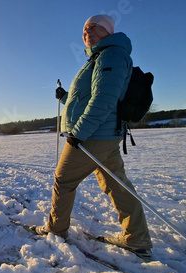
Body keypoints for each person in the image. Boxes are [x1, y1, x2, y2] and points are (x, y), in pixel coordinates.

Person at [30, 14, 153, 259]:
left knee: (63, 181)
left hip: (94, 134)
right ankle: (136, 239)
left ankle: (56, 231)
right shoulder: (101, 56)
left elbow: (104, 100)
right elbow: (86, 99)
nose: (87, 32)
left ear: (108, 30)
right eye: (85, 29)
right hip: (106, 134)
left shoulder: (111, 55)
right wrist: (65, 97)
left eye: (93, 28)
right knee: (116, 183)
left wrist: (79, 133)